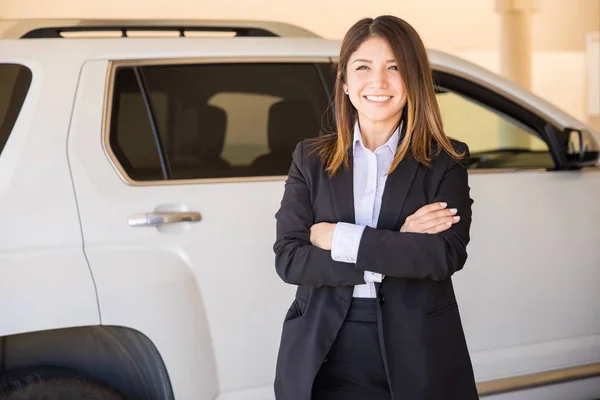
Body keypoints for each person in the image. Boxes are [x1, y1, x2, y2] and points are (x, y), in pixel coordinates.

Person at [273, 15, 478, 400]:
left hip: (418, 352)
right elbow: (290, 258)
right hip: (324, 348)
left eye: (394, 67)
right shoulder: (310, 159)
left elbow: (443, 255)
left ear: (413, 79)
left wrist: (339, 237)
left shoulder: (445, 160)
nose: (378, 82)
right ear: (346, 82)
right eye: (363, 67)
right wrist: (396, 245)